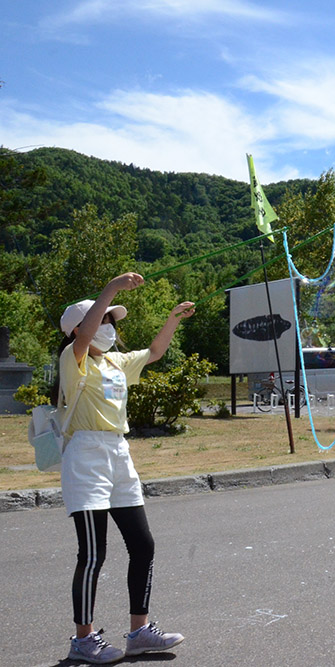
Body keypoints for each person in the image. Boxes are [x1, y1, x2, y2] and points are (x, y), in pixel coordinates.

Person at [56, 273, 194, 664]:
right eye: (103, 321)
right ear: (80, 329)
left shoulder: (117, 362)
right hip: (85, 456)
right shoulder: (73, 358)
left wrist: (173, 319)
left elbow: (152, 353)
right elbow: (83, 338)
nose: (110, 328)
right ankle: (83, 640)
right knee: (93, 553)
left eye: (112, 322)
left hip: (118, 452)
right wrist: (111, 288)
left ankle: (139, 632)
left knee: (142, 544)